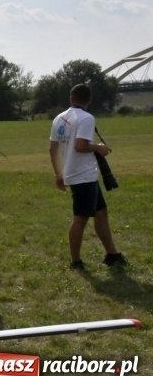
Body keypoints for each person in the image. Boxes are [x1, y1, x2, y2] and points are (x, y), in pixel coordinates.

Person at [49, 83, 128, 270]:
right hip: (82, 176)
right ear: (89, 101)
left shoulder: (58, 118)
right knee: (81, 218)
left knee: (101, 212)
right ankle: (75, 261)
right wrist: (99, 148)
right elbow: (81, 145)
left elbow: (52, 149)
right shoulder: (86, 118)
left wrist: (58, 174)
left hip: (78, 175)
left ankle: (112, 254)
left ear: (71, 98)